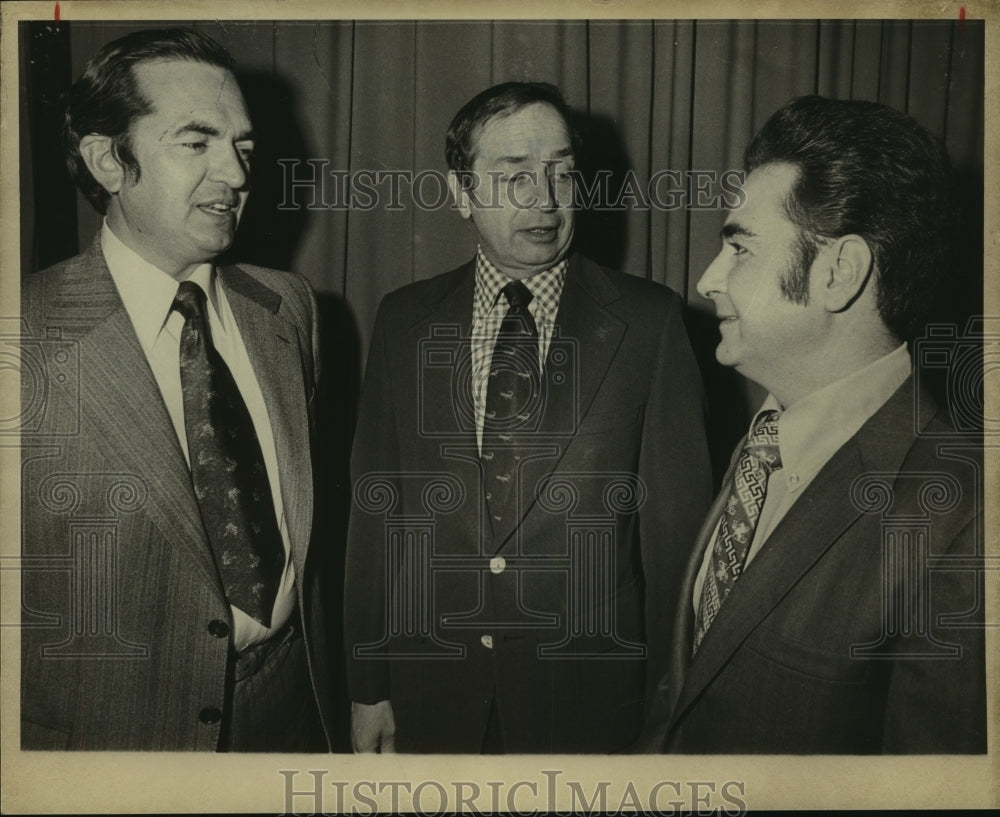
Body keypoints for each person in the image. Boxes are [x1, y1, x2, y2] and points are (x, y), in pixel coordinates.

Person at [344, 81, 712, 753]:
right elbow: (379, 517)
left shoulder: (649, 322)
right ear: (461, 193)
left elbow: (678, 547)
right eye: (513, 176)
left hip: (589, 707)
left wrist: (669, 718)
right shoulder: (403, 319)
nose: (544, 199)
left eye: (561, 172)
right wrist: (368, 686)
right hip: (435, 695)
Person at [640, 95, 986, 753]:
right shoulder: (766, 436)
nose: (711, 278)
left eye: (739, 248)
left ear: (838, 272)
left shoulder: (962, 514)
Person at [20, 28, 333, 751]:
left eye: (243, 147)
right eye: (197, 142)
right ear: (107, 160)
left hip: (291, 714)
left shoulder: (288, 307)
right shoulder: (23, 335)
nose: (235, 171)